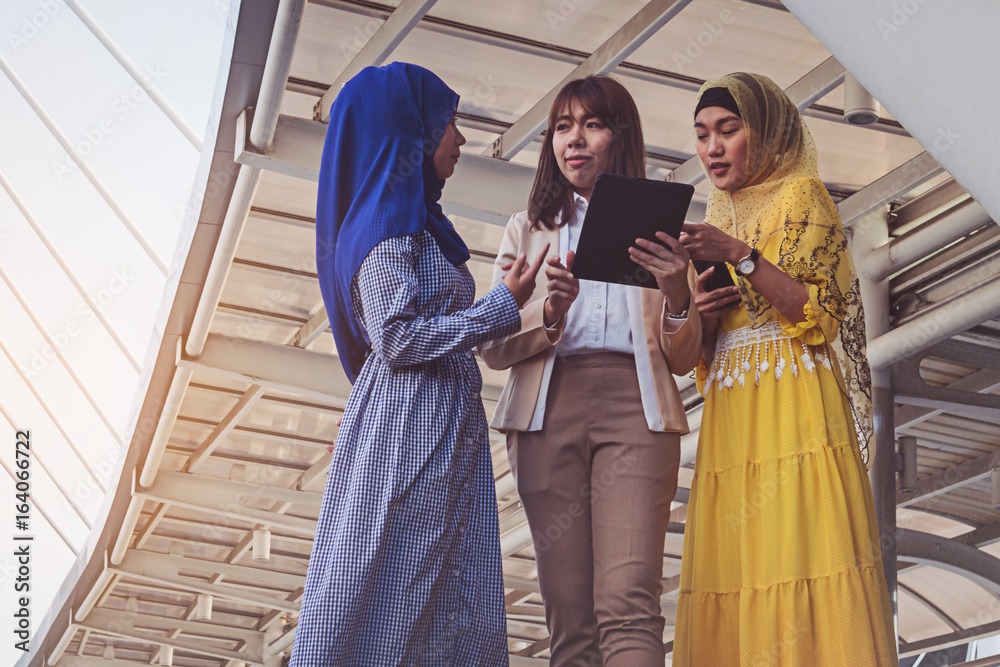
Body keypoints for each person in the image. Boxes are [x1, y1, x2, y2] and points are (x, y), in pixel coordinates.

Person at [290, 62, 547, 667]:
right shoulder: (388, 230)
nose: (459, 139)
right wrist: (500, 308)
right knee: (401, 591)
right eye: (448, 124)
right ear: (408, 134)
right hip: (412, 432)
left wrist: (503, 303)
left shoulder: (416, 225)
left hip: (434, 425)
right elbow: (398, 340)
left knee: (439, 588)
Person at [672, 72, 898, 666]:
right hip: (731, 408)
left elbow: (821, 315)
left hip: (793, 395)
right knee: (737, 565)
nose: (713, 148)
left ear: (766, 131)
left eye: (728, 130)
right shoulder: (717, 213)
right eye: (701, 135)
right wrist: (695, 303)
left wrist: (740, 256)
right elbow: (696, 350)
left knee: (800, 554)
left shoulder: (803, 196)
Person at [479, 74, 702, 667]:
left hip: (638, 411)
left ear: (619, 135)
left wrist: (679, 291)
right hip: (545, 414)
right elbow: (492, 347)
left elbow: (683, 359)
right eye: (561, 127)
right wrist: (550, 312)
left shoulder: (663, 227)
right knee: (570, 620)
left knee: (628, 605)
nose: (573, 140)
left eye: (592, 124)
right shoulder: (524, 230)